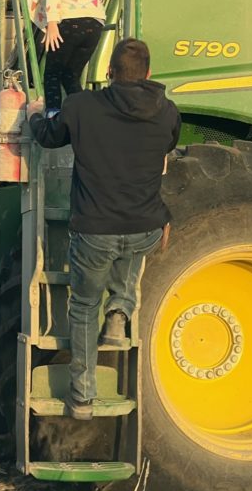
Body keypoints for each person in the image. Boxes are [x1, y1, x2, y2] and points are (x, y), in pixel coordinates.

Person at [27, 38, 181, 420]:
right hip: (145, 227)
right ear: (148, 73)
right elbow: (169, 145)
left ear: (109, 72)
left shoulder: (81, 107)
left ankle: (82, 397)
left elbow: (48, 137)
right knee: (131, 252)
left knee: (83, 306)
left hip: (95, 230)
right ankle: (120, 311)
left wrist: (33, 115)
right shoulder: (167, 112)